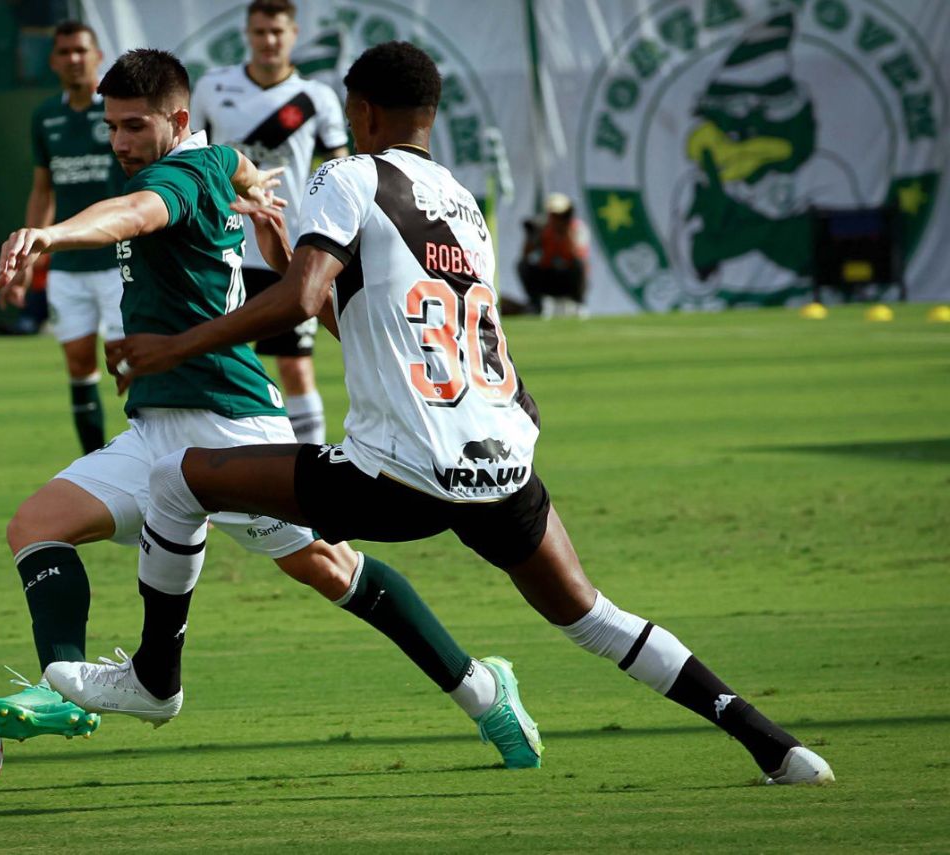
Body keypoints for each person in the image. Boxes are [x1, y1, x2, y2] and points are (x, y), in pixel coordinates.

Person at [84, 42, 834, 785]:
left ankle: (154, 678)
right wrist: (287, 266)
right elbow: (367, 318)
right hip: (502, 457)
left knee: (179, 479)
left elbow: (304, 304)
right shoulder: (463, 203)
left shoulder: (346, 175)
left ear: (362, 112)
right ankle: (775, 744)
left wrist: (174, 346)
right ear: (431, 117)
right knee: (591, 615)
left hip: (400, 472)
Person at [0, 48, 542, 770]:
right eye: (110, 127)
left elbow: (133, 214)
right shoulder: (211, 162)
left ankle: (487, 690)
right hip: (156, 432)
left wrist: (51, 233)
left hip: (232, 427)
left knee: (329, 568)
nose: (118, 142)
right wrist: (255, 184)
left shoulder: (179, 173)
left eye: (133, 126)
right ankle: (61, 685)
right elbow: (232, 162)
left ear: (177, 121)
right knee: (35, 525)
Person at [190, 0, 347, 444]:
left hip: (288, 252)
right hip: (223, 251)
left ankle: (312, 476)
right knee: (216, 364)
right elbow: (192, 158)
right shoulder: (211, 88)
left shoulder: (316, 98)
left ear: (294, 34)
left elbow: (340, 172)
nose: (268, 41)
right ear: (247, 34)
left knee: (295, 367)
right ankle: (218, 472)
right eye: (260, 32)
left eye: (277, 32)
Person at [0, 20, 127, 455]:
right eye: (65, 52)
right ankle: (96, 467)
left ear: (97, 56)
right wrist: (25, 264)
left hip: (118, 262)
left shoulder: (116, 113)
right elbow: (42, 190)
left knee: (129, 364)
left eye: (80, 51)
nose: (73, 59)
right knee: (78, 364)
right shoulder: (45, 116)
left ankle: (154, 460)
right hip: (68, 267)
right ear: (53, 61)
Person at [519, 192, 590, 319]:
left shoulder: (578, 229)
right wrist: (532, 236)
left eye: (560, 215)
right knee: (523, 266)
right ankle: (536, 305)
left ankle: (579, 303)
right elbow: (525, 255)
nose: (557, 219)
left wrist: (565, 233)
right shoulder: (544, 228)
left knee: (579, 265)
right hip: (549, 275)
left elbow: (577, 255)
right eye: (554, 215)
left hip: (568, 278)